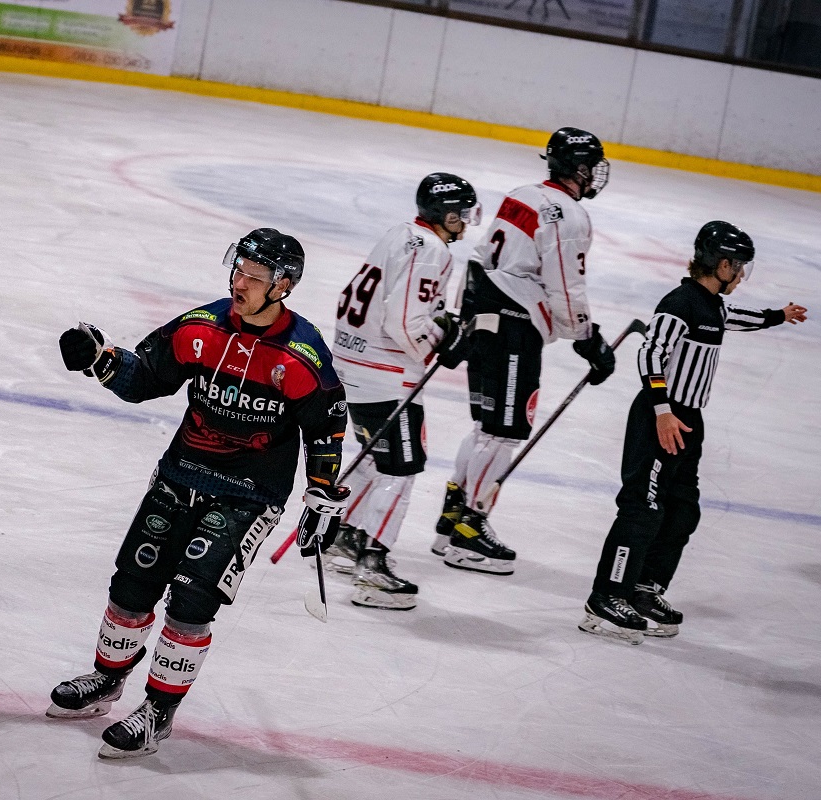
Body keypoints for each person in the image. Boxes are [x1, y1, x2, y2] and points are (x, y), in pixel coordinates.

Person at [47, 229, 349, 758]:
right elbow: (145, 378)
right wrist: (99, 358)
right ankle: (106, 680)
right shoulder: (201, 326)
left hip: (248, 497)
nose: (241, 283)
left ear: (285, 287)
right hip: (178, 476)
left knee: (191, 600)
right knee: (132, 584)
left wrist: (321, 494)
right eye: (239, 270)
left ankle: (158, 715)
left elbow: (325, 426)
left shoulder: (301, 354)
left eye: (255, 278)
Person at [579, 221, 808, 643]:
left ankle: (643, 588)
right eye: (738, 268)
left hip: (689, 421)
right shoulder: (679, 303)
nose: (740, 276)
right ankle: (607, 596)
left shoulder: (713, 306)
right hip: (659, 417)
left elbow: (737, 319)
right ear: (722, 265)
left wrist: (779, 315)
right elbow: (651, 353)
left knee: (682, 509)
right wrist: (663, 412)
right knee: (642, 508)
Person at [433, 127, 616, 576]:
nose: (595, 175)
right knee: (505, 432)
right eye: (591, 166)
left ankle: (450, 523)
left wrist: (465, 319)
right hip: (515, 331)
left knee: (486, 429)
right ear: (578, 168)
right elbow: (565, 285)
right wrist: (587, 338)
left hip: (486, 317)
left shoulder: (523, 195)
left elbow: (479, 259)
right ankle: (468, 534)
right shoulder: (568, 215)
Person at [327, 172, 480, 609]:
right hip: (386, 375)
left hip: (352, 366)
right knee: (401, 467)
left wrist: (440, 327)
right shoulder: (432, 250)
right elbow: (404, 323)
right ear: (446, 214)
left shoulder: (401, 234)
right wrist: (443, 340)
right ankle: (373, 565)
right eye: (462, 213)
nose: (466, 222)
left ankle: (346, 539)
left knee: (377, 459)